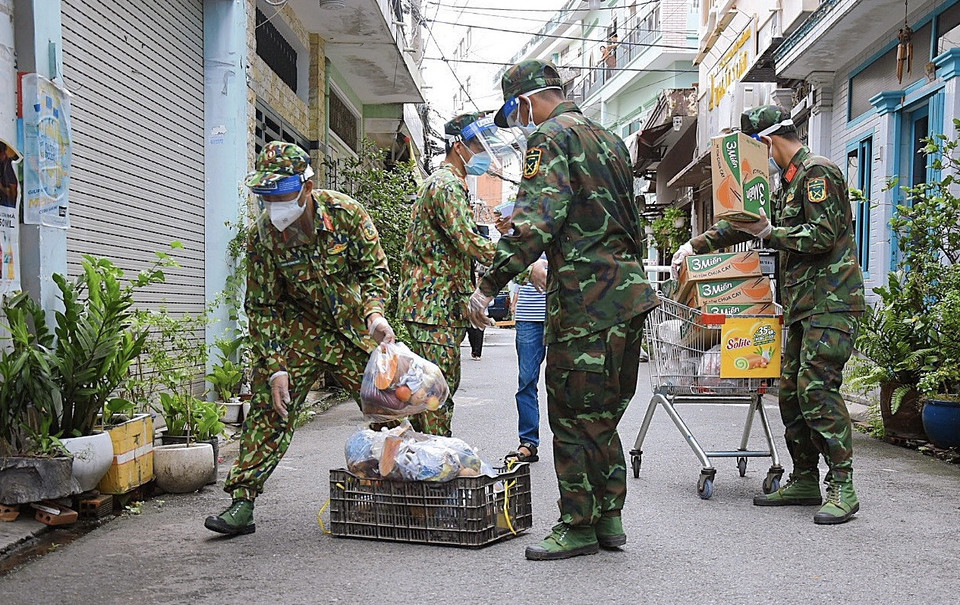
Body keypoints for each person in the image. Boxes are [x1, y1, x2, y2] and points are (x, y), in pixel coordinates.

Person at [469, 59, 660, 560]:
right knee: (602, 412)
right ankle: (608, 516)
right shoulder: (611, 139)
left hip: (586, 304)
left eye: (518, 113)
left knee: (573, 414)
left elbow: (536, 223)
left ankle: (578, 522)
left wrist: (488, 284)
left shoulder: (550, 138)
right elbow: (625, 223)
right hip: (627, 296)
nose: (522, 124)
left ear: (526, 101)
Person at [671, 105, 865, 525]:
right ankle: (805, 478)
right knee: (791, 392)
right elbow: (745, 224)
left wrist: (768, 233)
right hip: (800, 305)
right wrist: (695, 245)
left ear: (765, 142)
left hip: (831, 302)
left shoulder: (818, 173)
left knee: (818, 390)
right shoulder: (785, 184)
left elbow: (822, 236)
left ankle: (843, 485)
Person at [204, 142, 396, 536]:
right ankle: (242, 502)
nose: (274, 204)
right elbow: (262, 304)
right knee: (268, 408)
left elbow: (375, 269)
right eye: (265, 196)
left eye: (281, 194)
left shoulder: (345, 214)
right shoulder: (263, 237)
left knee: (394, 404)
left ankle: (412, 490)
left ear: (306, 187)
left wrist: (375, 313)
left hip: (353, 329)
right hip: (298, 335)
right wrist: (275, 366)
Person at [396, 113, 498, 436]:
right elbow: (467, 240)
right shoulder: (447, 185)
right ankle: (436, 470)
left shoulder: (448, 184)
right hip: (431, 311)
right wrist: (519, 257)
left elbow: (452, 256)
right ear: (458, 146)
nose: (483, 151)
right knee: (435, 396)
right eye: (476, 144)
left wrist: (471, 299)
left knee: (428, 396)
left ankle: (423, 468)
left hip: (436, 308)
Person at [499, 211, 547, 463]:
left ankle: (572, 446)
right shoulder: (520, 223)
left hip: (565, 312)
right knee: (527, 380)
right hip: (529, 316)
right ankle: (528, 441)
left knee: (566, 383)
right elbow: (509, 262)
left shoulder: (564, 214)